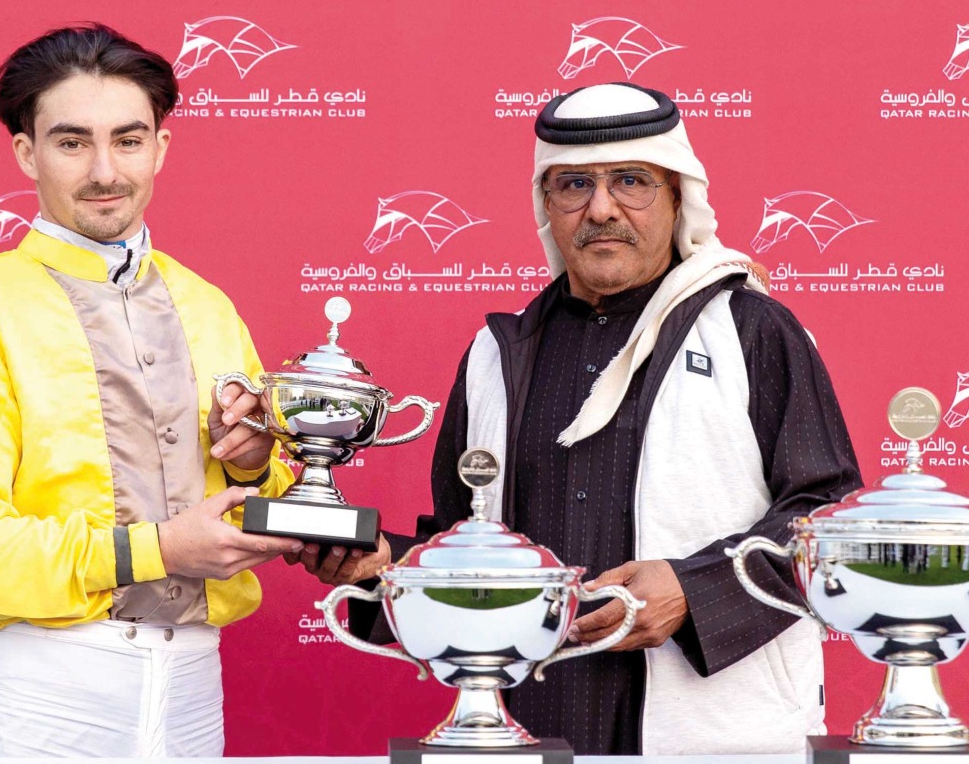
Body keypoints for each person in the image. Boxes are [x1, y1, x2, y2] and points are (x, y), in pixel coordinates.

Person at [288, 82, 861, 756]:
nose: (602, 208)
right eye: (574, 184)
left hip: (716, 727)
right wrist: (381, 566)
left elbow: (830, 517)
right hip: (535, 721)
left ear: (677, 195)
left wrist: (693, 591)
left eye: (631, 180)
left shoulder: (750, 328)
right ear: (546, 205)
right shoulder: (497, 355)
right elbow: (467, 542)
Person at [0, 24, 302, 758]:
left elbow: (266, 486)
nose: (106, 170)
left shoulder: (208, 304)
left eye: (129, 139)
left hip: (195, 687)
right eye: (73, 142)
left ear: (161, 149)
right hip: (47, 690)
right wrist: (159, 547)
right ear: (28, 152)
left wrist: (250, 465)